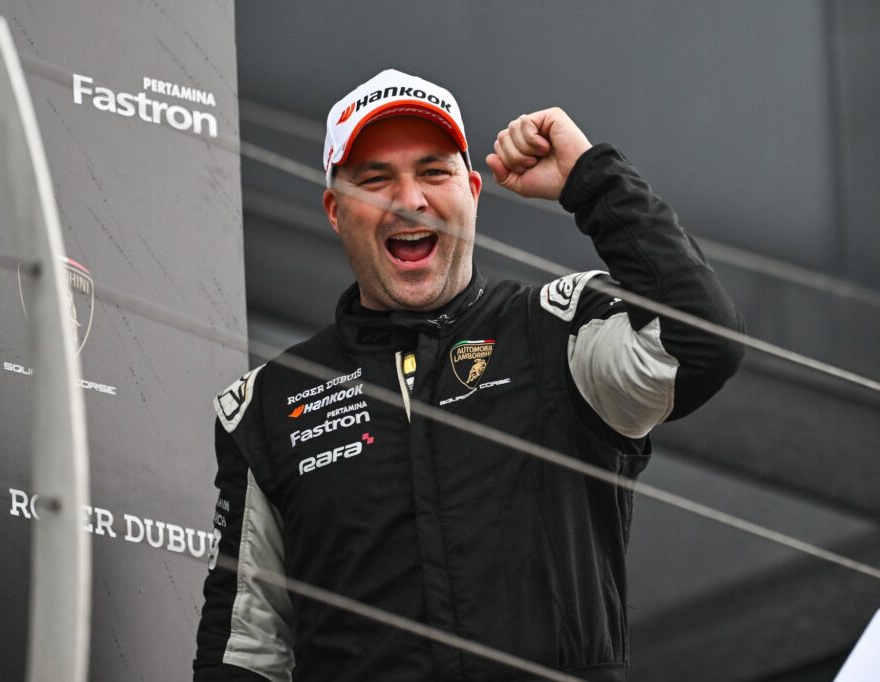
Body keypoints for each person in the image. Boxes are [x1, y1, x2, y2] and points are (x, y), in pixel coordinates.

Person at [193, 68, 745, 681]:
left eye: (434, 172)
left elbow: (703, 341)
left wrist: (590, 180)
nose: (408, 200)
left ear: (473, 191)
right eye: (375, 179)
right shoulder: (268, 405)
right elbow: (242, 654)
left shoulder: (558, 334)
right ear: (335, 211)